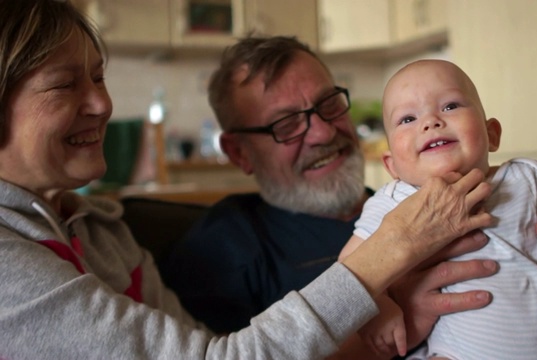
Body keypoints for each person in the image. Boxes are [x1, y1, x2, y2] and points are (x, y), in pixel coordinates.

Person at [0, 1, 497, 358]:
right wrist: (395, 257)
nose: (323, 130)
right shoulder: (226, 249)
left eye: (328, 105)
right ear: (238, 153)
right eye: (285, 124)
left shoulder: (102, 229)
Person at [338, 59, 537, 359]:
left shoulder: (526, 178)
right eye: (407, 119)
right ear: (392, 165)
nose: (430, 121)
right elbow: (352, 268)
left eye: (450, 106)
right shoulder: (394, 201)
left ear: (492, 135)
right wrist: (381, 307)